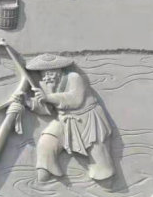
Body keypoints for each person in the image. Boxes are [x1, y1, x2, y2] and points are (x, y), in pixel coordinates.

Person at [7, 53, 114, 183]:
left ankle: (106, 180)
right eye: (43, 73)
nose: (47, 77)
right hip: (64, 119)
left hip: (88, 119)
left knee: (99, 158)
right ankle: (45, 174)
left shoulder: (74, 77)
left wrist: (48, 97)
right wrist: (27, 101)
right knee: (47, 142)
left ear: (58, 71)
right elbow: (47, 109)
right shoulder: (45, 84)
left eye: (50, 73)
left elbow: (75, 100)